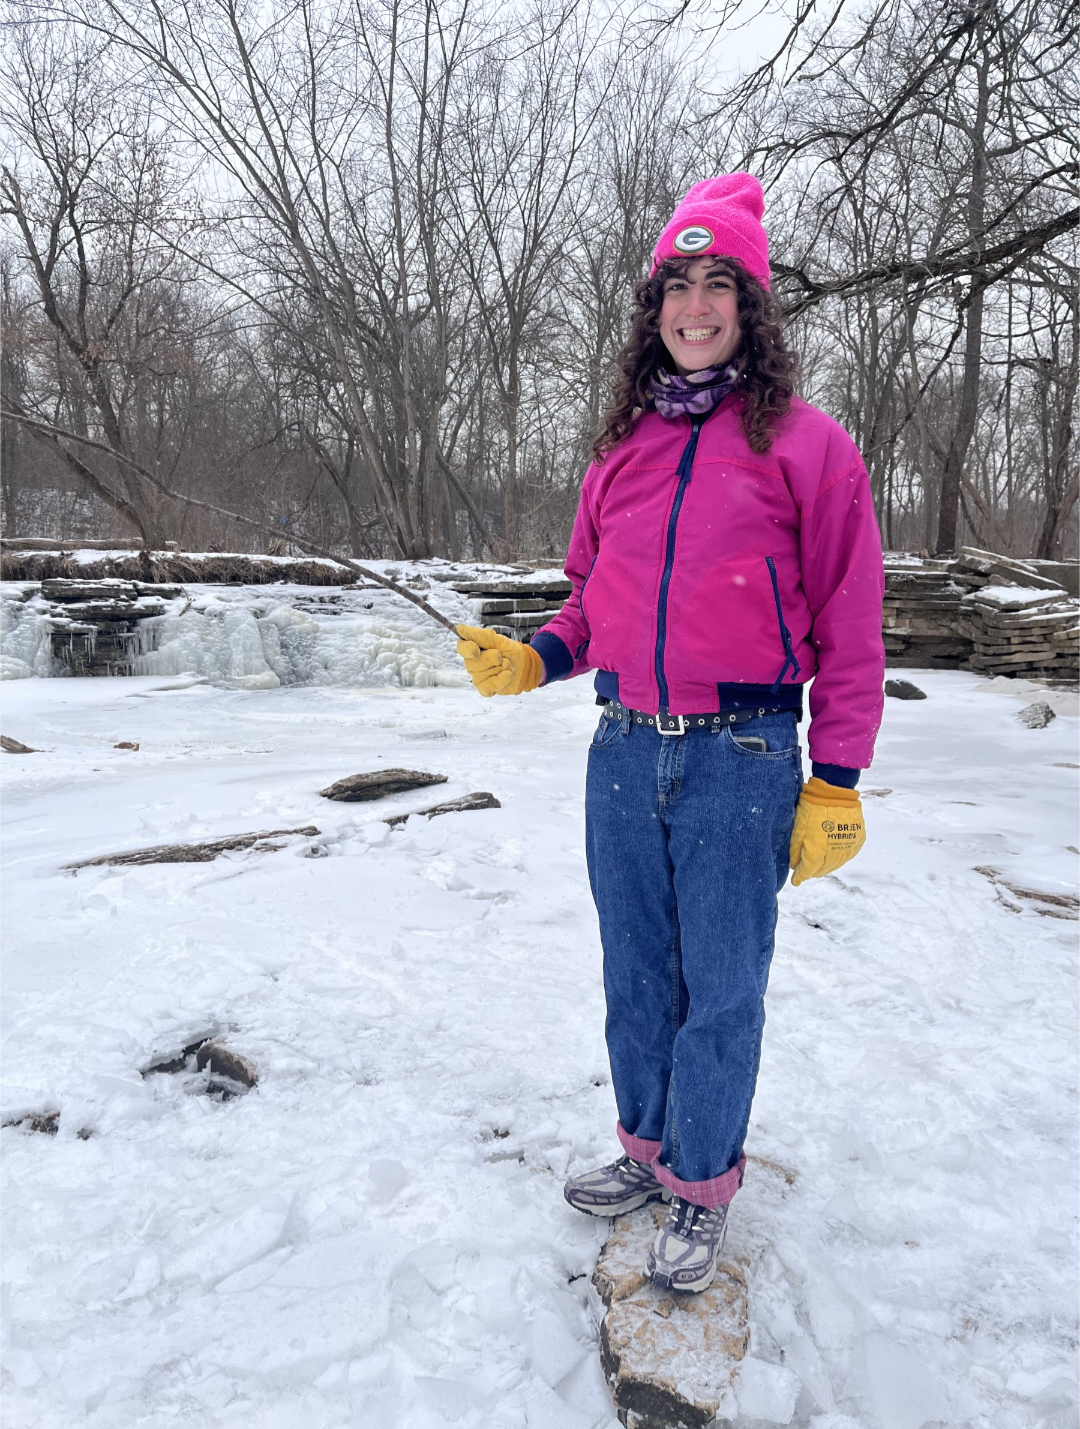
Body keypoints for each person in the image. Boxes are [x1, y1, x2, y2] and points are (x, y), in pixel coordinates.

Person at [456, 173, 885, 1294]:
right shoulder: (622, 448)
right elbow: (594, 599)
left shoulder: (808, 447)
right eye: (676, 285)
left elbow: (850, 622)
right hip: (621, 751)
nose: (695, 305)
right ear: (655, 309)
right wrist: (536, 656)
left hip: (739, 757)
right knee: (636, 974)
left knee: (723, 983)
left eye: (718, 284)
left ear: (752, 305)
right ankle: (645, 1152)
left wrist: (835, 776)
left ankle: (701, 1183)